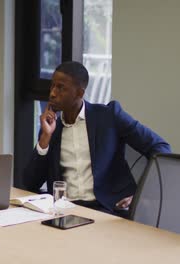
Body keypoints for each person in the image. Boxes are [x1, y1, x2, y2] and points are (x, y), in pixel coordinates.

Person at [23, 61, 171, 216]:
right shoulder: (52, 128)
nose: (52, 93)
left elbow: (160, 148)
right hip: (66, 211)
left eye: (61, 88)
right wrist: (45, 139)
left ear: (80, 93)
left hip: (108, 211)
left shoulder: (109, 116)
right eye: (52, 86)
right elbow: (30, 183)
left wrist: (142, 195)